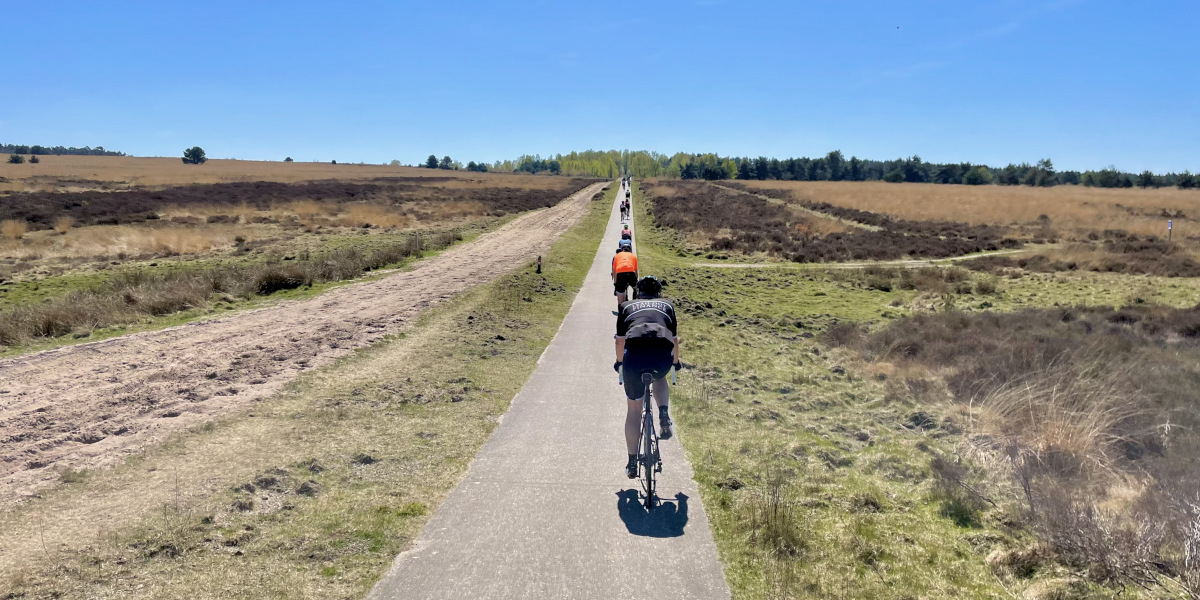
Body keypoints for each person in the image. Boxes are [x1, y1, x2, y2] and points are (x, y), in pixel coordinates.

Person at [614, 276, 681, 478]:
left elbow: (620, 342)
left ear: (638, 293)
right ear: (658, 293)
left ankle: (632, 462)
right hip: (661, 355)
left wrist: (619, 364)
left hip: (634, 359)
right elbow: (675, 340)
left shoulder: (626, 306)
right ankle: (662, 413)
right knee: (660, 378)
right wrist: (675, 364)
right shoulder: (667, 306)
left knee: (634, 411)